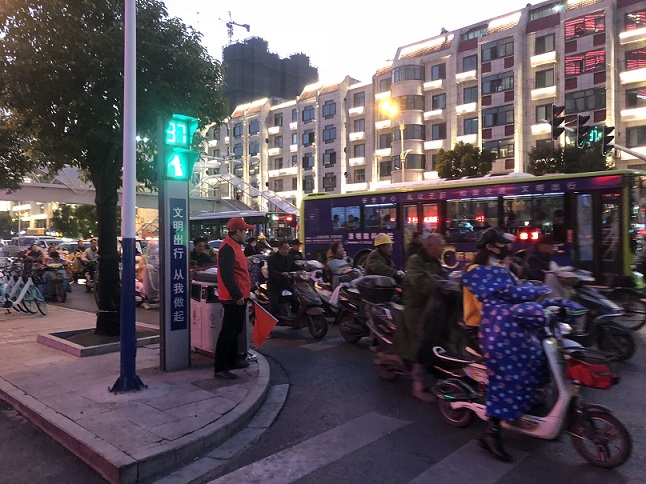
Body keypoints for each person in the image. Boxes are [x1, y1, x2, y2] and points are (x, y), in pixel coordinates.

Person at [461, 226, 550, 462]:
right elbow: (492, 305)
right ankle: (491, 433)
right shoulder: (476, 271)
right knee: (509, 371)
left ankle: (525, 404)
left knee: (539, 353)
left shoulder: (500, 266)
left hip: (504, 325)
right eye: (503, 244)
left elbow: (514, 292)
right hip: (484, 328)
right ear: (490, 247)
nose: (507, 247)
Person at [394, 233, 446, 403]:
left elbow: (443, 277)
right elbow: (419, 281)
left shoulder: (435, 262)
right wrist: (438, 286)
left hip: (432, 305)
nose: (443, 248)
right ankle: (417, 386)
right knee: (424, 341)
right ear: (430, 246)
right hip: (416, 309)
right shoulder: (415, 260)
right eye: (441, 245)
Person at [215, 217, 254, 380]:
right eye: (245, 231)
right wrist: (237, 295)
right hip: (233, 298)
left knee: (235, 330)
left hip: (240, 295)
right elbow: (227, 275)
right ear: (238, 231)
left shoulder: (236, 246)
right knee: (228, 332)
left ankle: (232, 361)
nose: (246, 233)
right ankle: (220, 368)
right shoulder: (227, 248)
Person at [266, 240, 300, 315]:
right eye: (284, 248)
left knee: (296, 300)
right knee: (274, 304)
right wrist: (281, 274)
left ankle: (295, 317)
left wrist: (304, 268)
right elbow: (271, 271)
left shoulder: (289, 257)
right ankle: (273, 318)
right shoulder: (272, 258)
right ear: (279, 248)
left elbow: (294, 266)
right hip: (274, 284)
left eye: (287, 248)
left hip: (286, 283)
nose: (286, 251)